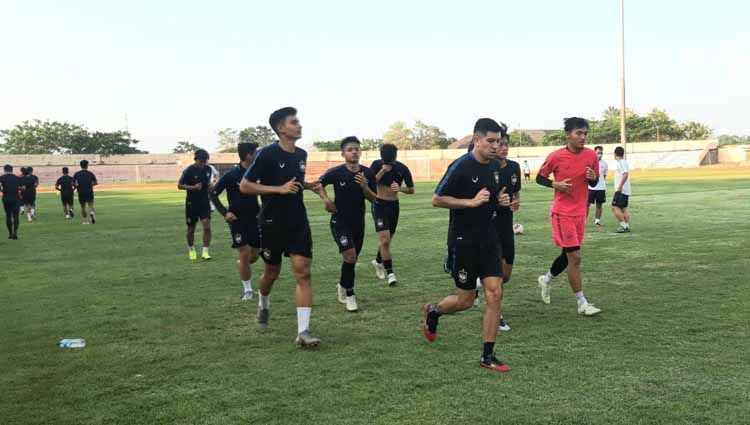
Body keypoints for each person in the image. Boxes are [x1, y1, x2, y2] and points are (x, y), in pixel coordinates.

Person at [423, 118, 513, 374]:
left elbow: (493, 199)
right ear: (477, 140)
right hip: (463, 242)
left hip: (489, 239)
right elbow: (437, 199)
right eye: (491, 141)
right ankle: (434, 311)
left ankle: (488, 355)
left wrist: (501, 200)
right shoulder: (461, 166)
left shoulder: (496, 167)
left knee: (494, 292)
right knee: (465, 301)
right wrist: (470, 202)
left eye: (499, 141)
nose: (496, 146)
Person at [239, 106, 322, 348]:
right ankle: (263, 302)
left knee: (303, 271)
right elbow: (245, 185)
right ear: (281, 129)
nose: (299, 125)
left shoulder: (301, 154)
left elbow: (293, 182)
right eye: (294, 122)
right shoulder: (266, 154)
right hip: (272, 221)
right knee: (271, 274)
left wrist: (307, 185)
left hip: (297, 219)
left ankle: (303, 332)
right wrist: (278, 190)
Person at [535, 117, 602, 316]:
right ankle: (582, 303)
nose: (583, 137)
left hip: (580, 213)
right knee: (575, 256)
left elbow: (593, 182)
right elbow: (540, 178)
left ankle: (546, 279)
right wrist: (555, 184)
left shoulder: (591, 156)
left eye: (585, 133)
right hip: (562, 213)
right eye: (579, 133)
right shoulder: (556, 156)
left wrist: (593, 178)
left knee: (567, 255)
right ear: (568, 135)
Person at [315, 136, 377, 312]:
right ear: (343, 154)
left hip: (358, 222)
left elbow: (374, 200)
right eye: (350, 149)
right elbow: (317, 185)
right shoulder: (335, 172)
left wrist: (365, 187)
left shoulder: (368, 173)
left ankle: (342, 285)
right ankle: (350, 295)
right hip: (339, 221)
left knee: (352, 258)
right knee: (350, 256)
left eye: (357, 149)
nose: (354, 152)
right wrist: (326, 200)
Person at [210, 142, 261, 300]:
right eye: (255, 153)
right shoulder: (231, 174)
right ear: (248, 156)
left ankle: (242, 264)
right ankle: (248, 290)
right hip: (237, 220)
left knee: (255, 254)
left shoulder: (257, 173)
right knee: (245, 253)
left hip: (255, 218)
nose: (257, 155)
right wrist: (225, 213)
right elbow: (213, 194)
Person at [369, 144, 415, 286]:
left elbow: (411, 189)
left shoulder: (402, 168)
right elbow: (370, 183)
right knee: (384, 240)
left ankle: (378, 261)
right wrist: (382, 171)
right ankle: (390, 273)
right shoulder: (376, 165)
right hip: (379, 204)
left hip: (394, 206)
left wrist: (400, 188)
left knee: (387, 240)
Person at [492, 132, 522, 331]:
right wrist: (496, 200)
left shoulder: (514, 167)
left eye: (506, 144)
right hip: (489, 225)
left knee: (506, 275)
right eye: (500, 144)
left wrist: (516, 201)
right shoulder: (487, 167)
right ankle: (497, 314)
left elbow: (516, 190)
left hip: (506, 225)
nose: (503, 148)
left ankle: (482, 286)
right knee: (496, 273)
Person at [178, 149, 213, 260]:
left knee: (207, 227)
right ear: (196, 159)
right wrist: (193, 188)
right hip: (192, 203)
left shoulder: (208, 169)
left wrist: (211, 187)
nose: (203, 164)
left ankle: (205, 252)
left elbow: (207, 183)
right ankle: (191, 249)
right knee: (191, 230)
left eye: (205, 161)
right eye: (201, 161)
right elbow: (179, 185)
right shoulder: (189, 170)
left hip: (204, 202)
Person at [611, 146, 632, 233]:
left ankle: (623, 225)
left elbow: (625, 174)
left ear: (615, 154)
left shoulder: (621, 162)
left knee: (614, 207)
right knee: (623, 208)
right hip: (625, 190)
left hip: (621, 190)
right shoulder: (624, 162)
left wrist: (620, 186)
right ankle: (626, 226)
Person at [587, 146, 608, 226]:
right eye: (598, 153)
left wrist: (600, 183)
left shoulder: (605, 164)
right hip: (590, 188)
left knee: (599, 205)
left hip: (601, 188)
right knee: (587, 204)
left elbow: (604, 175)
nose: (600, 154)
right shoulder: (590, 162)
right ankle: (583, 221)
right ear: (594, 152)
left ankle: (597, 221)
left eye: (601, 153)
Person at [1, 164, 22, 239]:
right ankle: (15, 233)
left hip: (6, 198)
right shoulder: (17, 178)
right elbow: (22, 188)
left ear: (4, 170)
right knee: (16, 216)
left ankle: (10, 233)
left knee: (8, 216)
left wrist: (2, 190)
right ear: (12, 170)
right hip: (16, 198)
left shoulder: (2, 178)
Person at [73, 160, 98, 224]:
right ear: (87, 165)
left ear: (80, 165)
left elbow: (73, 183)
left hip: (81, 192)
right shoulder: (90, 173)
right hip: (89, 191)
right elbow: (96, 182)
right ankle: (91, 213)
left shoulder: (77, 174)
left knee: (83, 206)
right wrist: (90, 185)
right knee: (91, 205)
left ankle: (85, 221)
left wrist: (77, 186)